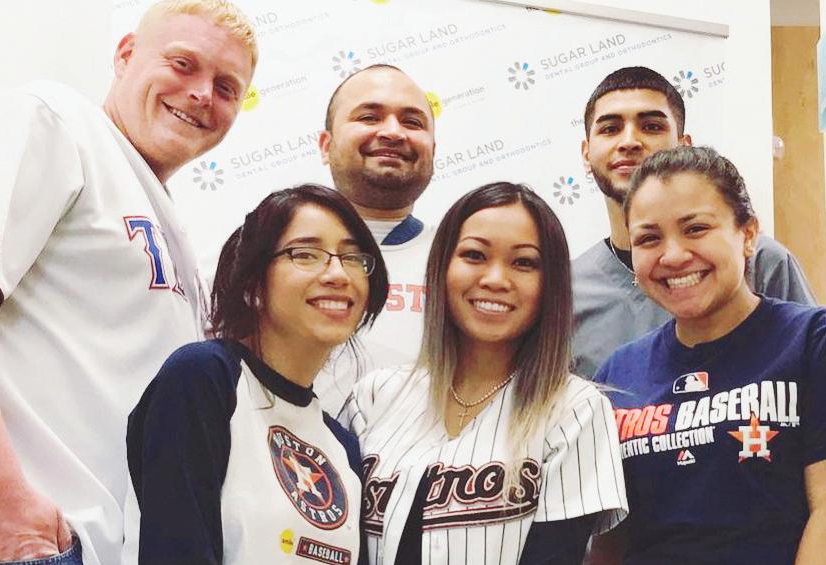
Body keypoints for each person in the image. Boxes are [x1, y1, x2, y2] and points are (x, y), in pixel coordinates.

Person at [0, 2, 256, 564]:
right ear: (126, 55)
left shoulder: (172, 226)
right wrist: (2, 502)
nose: (203, 93)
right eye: (183, 64)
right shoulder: (55, 119)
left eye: (226, 87)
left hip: (88, 544)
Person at [343, 182, 628, 565]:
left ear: (551, 284)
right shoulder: (375, 395)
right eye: (474, 255)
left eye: (523, 263)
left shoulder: (575, 409)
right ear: (442, 266)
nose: (495, 279)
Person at [125, 184, 389, 564]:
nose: (337, 273)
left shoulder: (343, 446)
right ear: (252, 285)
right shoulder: (205, 379)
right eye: (306, 254)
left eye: (352, 258)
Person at [591, 146, 826, 564]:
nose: (673, 255)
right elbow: (609, 541)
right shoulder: (617, 373)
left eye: (696, 228)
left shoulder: (811, 341)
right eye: (649, 239)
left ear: (748, 235)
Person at [573, 66, 815, 378]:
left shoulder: (761, 261)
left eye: (651, 126)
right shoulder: (567, 291)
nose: (629, 141)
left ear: (684, 145)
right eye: (610, 129)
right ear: (586, 153)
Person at [315, 64, 437, 414]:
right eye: (369, 117)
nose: (393, 132)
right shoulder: (266, 256)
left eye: (412, 122)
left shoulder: (463, 264)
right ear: (326, 145)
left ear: (433, 149)